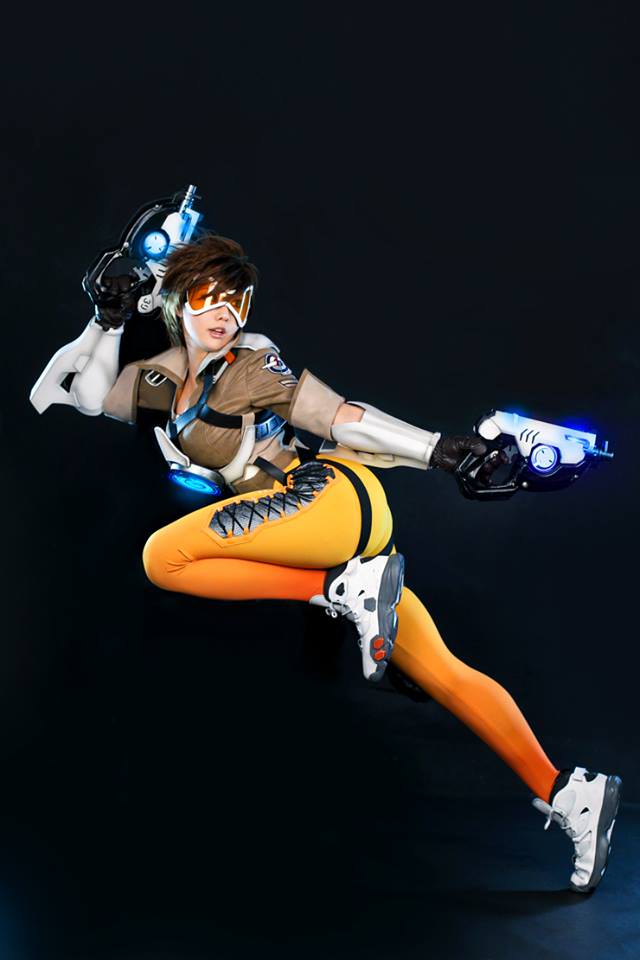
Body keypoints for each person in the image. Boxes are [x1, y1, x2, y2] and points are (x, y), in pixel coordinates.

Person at [32, 231, 622, 894]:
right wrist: (106, 320)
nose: (226, 312)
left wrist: (437, 450)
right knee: (445, 673)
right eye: (209, 297)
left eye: (237, 300)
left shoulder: (249, 363)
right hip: (343, 535)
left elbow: (338, 417)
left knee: (163, 555)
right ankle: (569, 791)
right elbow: (75, 394)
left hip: (327, 501)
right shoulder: (162, 381)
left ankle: (339, 587)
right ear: (176, 301)